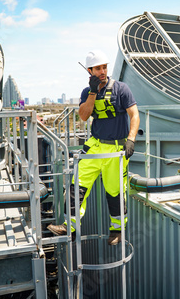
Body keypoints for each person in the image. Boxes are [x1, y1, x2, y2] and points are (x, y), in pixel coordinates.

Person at [47, 50, 140, 245]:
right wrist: (92, 92)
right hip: (95, 146)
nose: (103, 71)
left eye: (104, 67)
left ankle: (116, 230)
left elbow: (134, 115)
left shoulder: (121, 89)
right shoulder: (86, 92)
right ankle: (69, 228)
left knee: (115, 192)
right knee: (75, 187)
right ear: (90, 71)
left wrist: (130, 139)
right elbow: (83, 115)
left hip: (115, 149)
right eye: (98, 68)